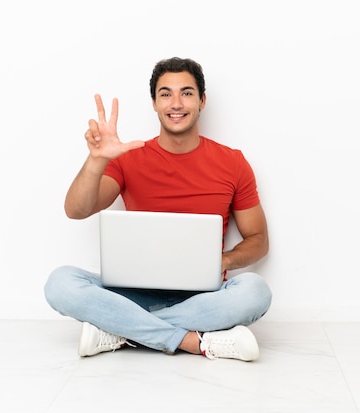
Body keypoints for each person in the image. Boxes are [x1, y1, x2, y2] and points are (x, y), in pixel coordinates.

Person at [44, 57, 272, 361]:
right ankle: (194, 341)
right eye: (166, 94)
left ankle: (121, 331)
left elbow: (259, 240)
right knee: (60, 283)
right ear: (154, 103)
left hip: (204, 295)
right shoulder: (128, 158)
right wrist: (98, 159)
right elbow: (76, 210)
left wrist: (223, 260)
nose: (176, 103)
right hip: (132, 292)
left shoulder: (233, 163)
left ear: (202, 100)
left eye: (187, 93)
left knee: (255, 292)